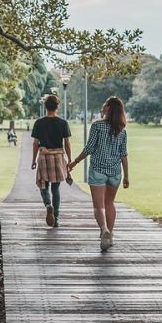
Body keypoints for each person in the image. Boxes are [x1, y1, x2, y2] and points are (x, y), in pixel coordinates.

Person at [68, 96, 129, 252]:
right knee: (109, 204)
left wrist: (74, 162)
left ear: (108, 108)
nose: (103, 106)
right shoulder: (122, 130)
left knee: (98, 206)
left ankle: (104, 230)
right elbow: (124, 155)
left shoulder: (97, 126)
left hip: (98, 171)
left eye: (105, 104)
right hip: (115, 172)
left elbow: (89, 149)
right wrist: (127, 176)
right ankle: (111, 234)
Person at [31, 95, 72, 228]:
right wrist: (69, 160)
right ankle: (56, 217)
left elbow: (35, 143)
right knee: (56, 188)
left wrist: (33, 160)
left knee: (43, 185)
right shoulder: (63, 123)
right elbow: (67, 144)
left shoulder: (39, 123)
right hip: (58, 157)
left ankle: (48, 205)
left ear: (45, 106)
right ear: (57, 106)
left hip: (44, 157)